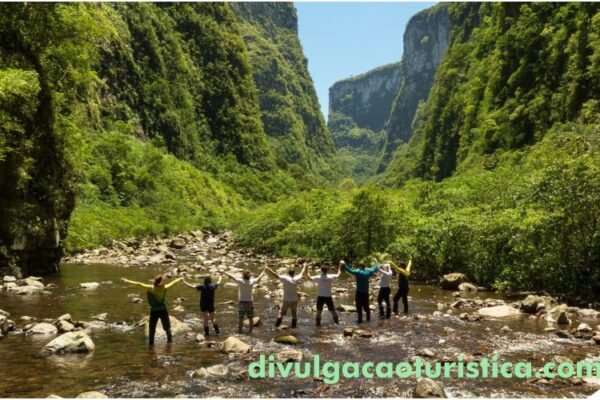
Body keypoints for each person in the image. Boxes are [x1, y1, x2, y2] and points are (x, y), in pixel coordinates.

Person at [121, 274, 183, 346]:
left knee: (152, 329)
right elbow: (173, 283)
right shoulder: (165, 287)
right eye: (163, 280)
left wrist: (127, 281)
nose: (164, 281)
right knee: (167, 328)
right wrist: (179, 279)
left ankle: (151, 346)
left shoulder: (151, 288)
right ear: (161, 282)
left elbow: (139, 284)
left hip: (154, 311)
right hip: (163, 310)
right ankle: (170, 344)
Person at [224, 268, 266, 334]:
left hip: (242, 302)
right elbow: (259, 277)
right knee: (250, 318)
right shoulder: (252, 281)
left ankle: (240, 331)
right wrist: (263, 271)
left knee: (241, 318)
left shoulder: (240, 281)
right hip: (249, 302)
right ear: (249, 275)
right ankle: (250, 331)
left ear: (243, 275)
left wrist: (225, 272)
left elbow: (232, 277)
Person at [265, 263, 307, 329]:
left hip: (286, 299)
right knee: (294, 314)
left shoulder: (285, 278)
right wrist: (304, 266)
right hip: (294, 299)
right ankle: (293, 328)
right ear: (294, 273)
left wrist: (268, 269)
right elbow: (302, 271)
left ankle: (276, 326)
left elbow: (275, 275)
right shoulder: (297, 278)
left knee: (281, 313)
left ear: (288, 273)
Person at [342, 259, 379, 323]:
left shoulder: (358, 272)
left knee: (359, 307)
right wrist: (376, 262)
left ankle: (360, 320)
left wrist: (344, 263)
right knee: (366, 307)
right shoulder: (368, 271)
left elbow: (349, 270)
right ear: (365, 266)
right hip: (366, 292)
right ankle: (368, 319)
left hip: (359, 292)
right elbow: (375, 268)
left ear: (360, 266)